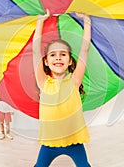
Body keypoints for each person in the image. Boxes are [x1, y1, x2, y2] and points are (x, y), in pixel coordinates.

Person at [32, 9, 92, 167]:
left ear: (70, 61)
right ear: (46, 62)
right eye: (52, 55)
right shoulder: (43, 82)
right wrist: (40, 22)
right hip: (49, 145)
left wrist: (87, 22)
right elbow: (35, 51)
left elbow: (85, 50)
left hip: (74, 142)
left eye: (63, 54)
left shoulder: (74, 80)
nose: (58, 57)